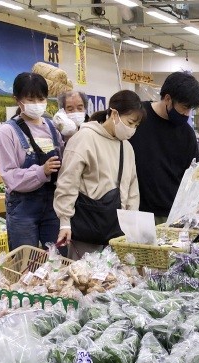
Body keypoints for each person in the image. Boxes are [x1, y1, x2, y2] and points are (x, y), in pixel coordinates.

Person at [53, 90, 143, 259]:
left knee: (112, 280)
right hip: (88, 227)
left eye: (136, 126)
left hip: (118, 231)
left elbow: (132, 187)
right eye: (130, 123)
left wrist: (132, 223)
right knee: (83, 279)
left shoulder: (127, 147)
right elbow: (67, 183)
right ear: (114, 114)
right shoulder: (84, 138)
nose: (132, 130)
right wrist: (65, 222)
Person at [0, 72, 64, 251]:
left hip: (52, 205)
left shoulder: (52, 128)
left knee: (58, 259)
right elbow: (9, 175)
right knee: (26, 262)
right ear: (17, 100)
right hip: (23, 207)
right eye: (30, 99)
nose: (36, 104)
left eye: (41, 99)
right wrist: (42, 171)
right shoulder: (8, 132)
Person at [128, 71, 199, 224]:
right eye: (184, 107)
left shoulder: (187, 134)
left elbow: (194, 176)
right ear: (168, 99)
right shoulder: (137, 117)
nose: (186, 114)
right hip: (137, 210)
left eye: (191, 110)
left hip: (172, 214)